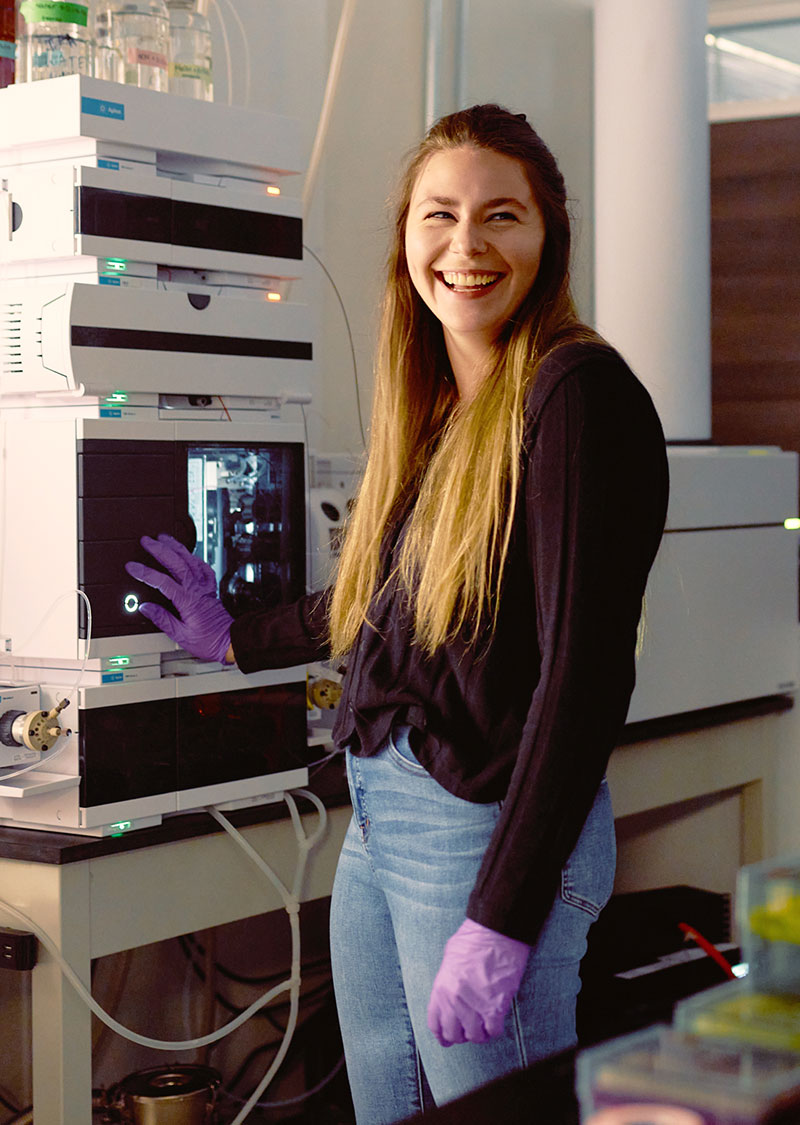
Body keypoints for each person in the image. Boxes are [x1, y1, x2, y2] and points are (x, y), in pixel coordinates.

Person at [126, 104, 669, 1124]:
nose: (465, 248)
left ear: (547, 237)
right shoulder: (442, 407)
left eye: (499, 216)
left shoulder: (573, 396)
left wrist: (502, 916)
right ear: (406, 239)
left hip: (481, 829)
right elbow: (390, 596)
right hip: (384, 815)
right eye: (439, 216)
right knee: (389, 1104)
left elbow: (581, 678)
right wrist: (236, 637)